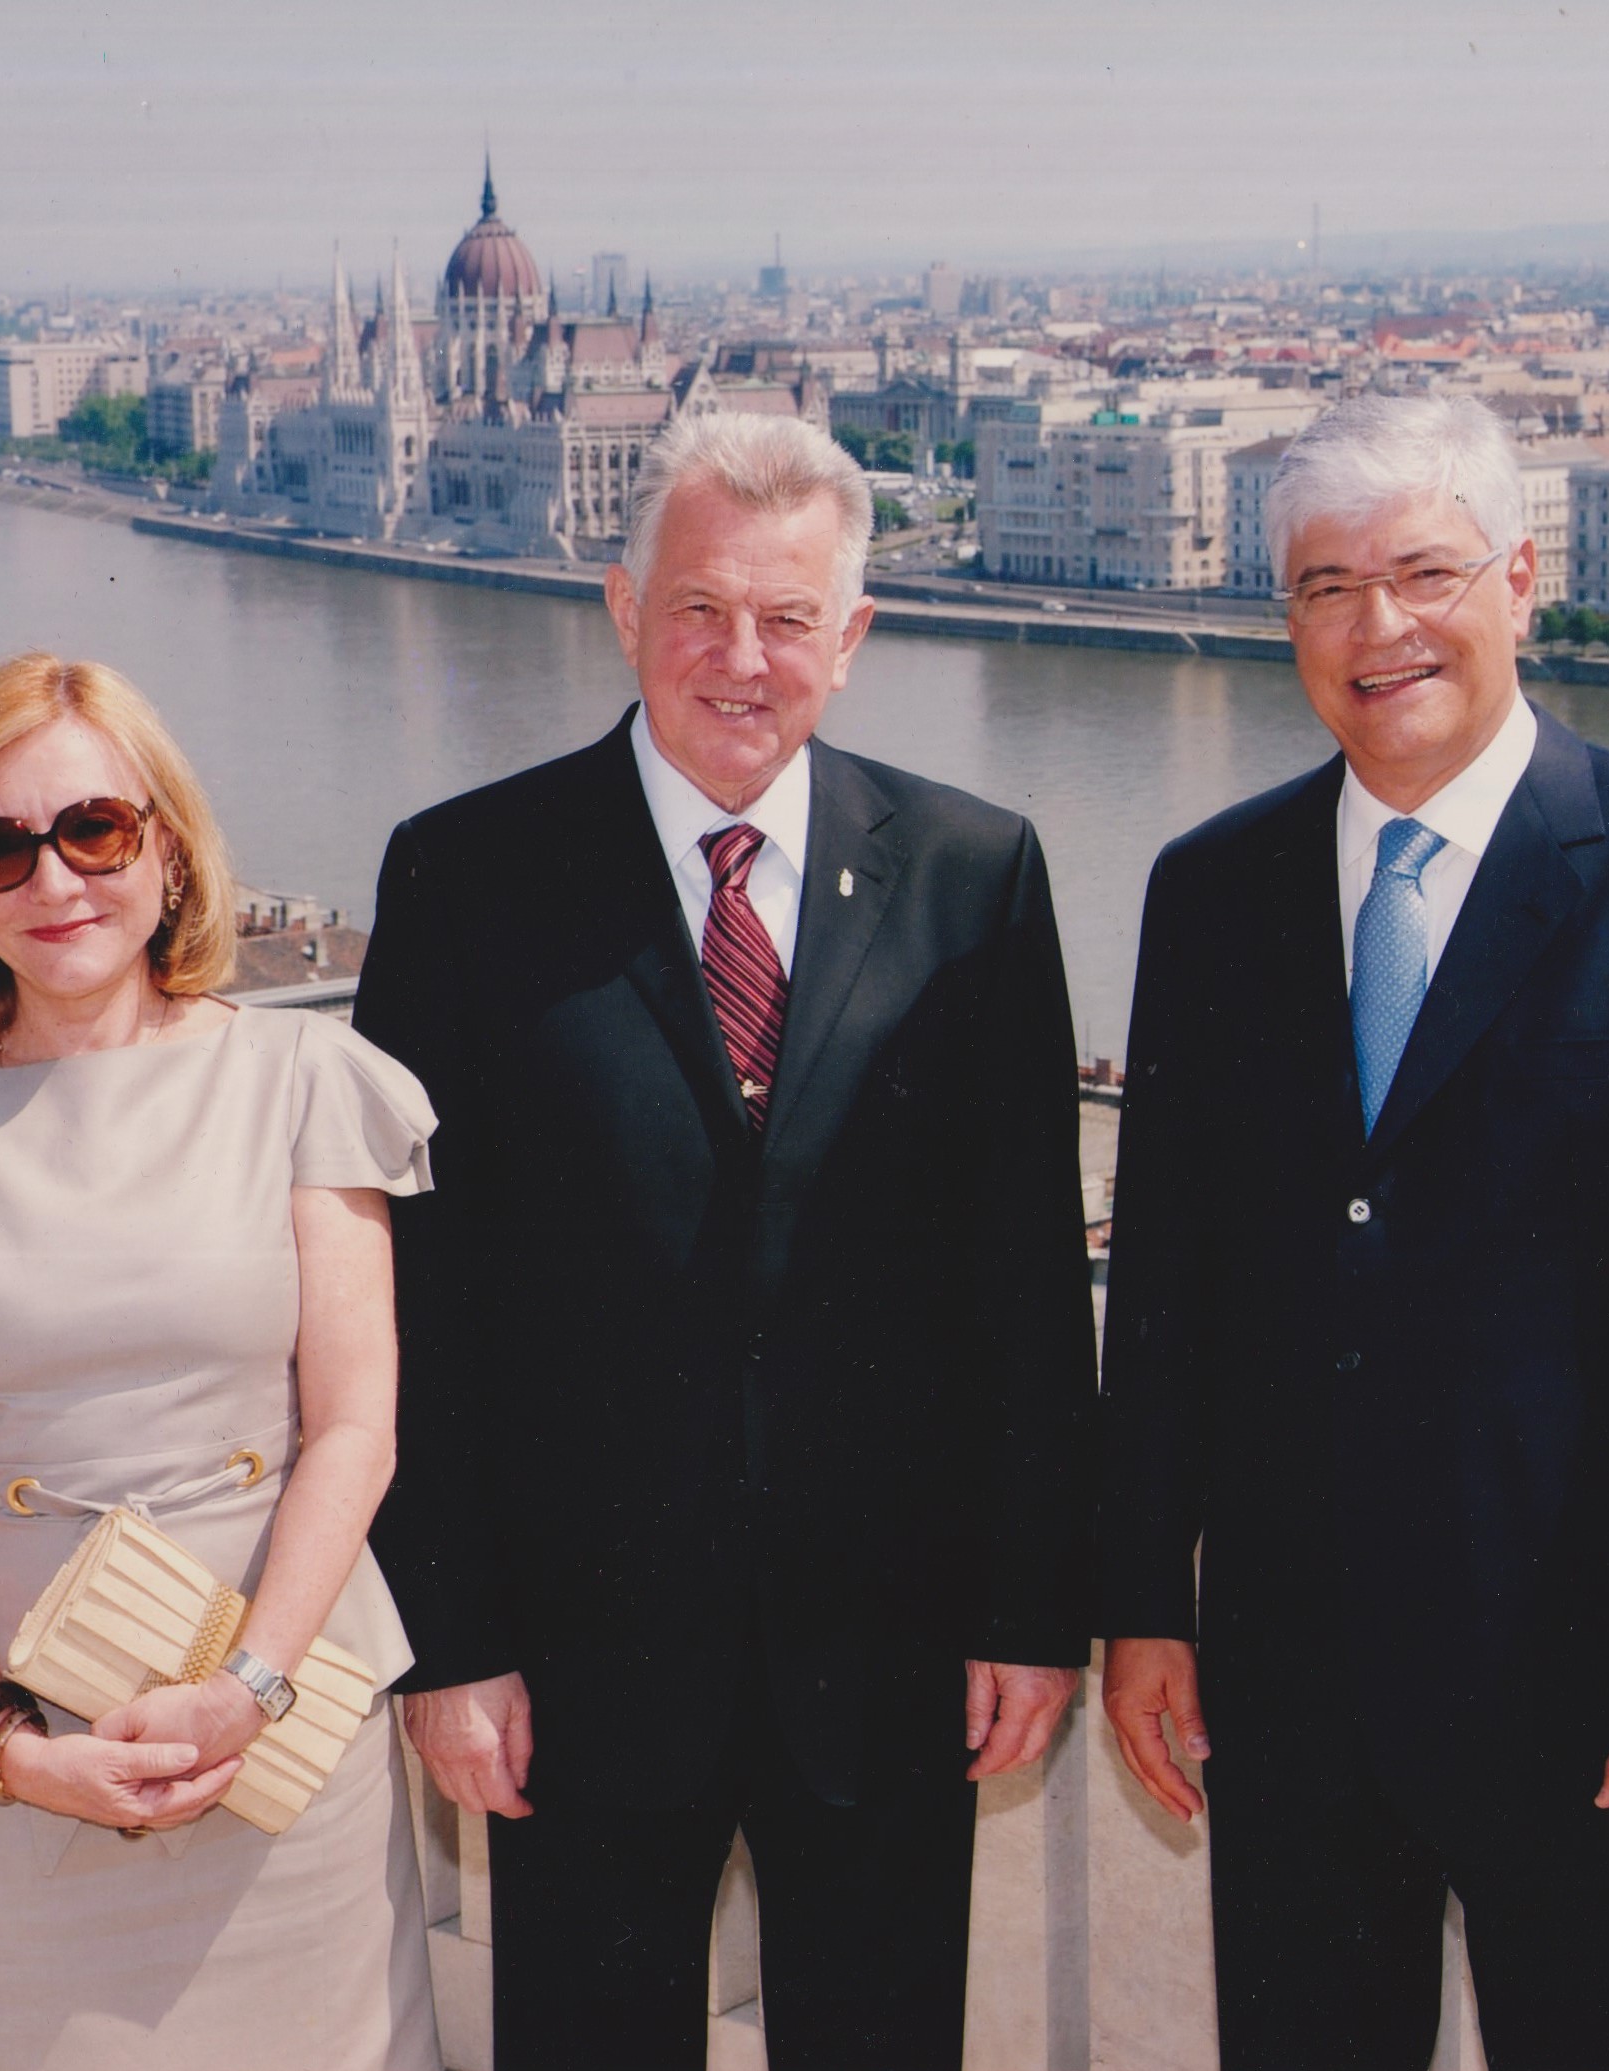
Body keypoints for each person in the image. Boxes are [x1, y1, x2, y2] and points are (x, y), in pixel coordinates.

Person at [1096, 395, 1609, 2071]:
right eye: (1323, 586)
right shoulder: (1209, 891)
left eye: (1423, 572)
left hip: (1591, 1702)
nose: (1379, 629)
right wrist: (1143, 1601)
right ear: (1281, 619)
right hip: (1291, 1700)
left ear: (1520, 579)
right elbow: (1163, 1285)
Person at [352, 411, 1100, 2071]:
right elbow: (419, 1298)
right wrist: (450, 1642)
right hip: (575, 1662)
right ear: (620, 610)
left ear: (855, 636)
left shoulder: (975, 874)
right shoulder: (469, 874)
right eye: (698, 609)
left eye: (785, 618)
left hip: (891, 1659)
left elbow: (1026, 1286)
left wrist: (1033, 1611)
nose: (739, 659)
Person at [0, 654, 441, 2071]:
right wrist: (8, 1740)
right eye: (1, 847)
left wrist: (244, 1686)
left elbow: (354, 1426)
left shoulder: (307, 1083)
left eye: (96, 831)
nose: (54, 881)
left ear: (169, 850)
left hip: (271, 1733)